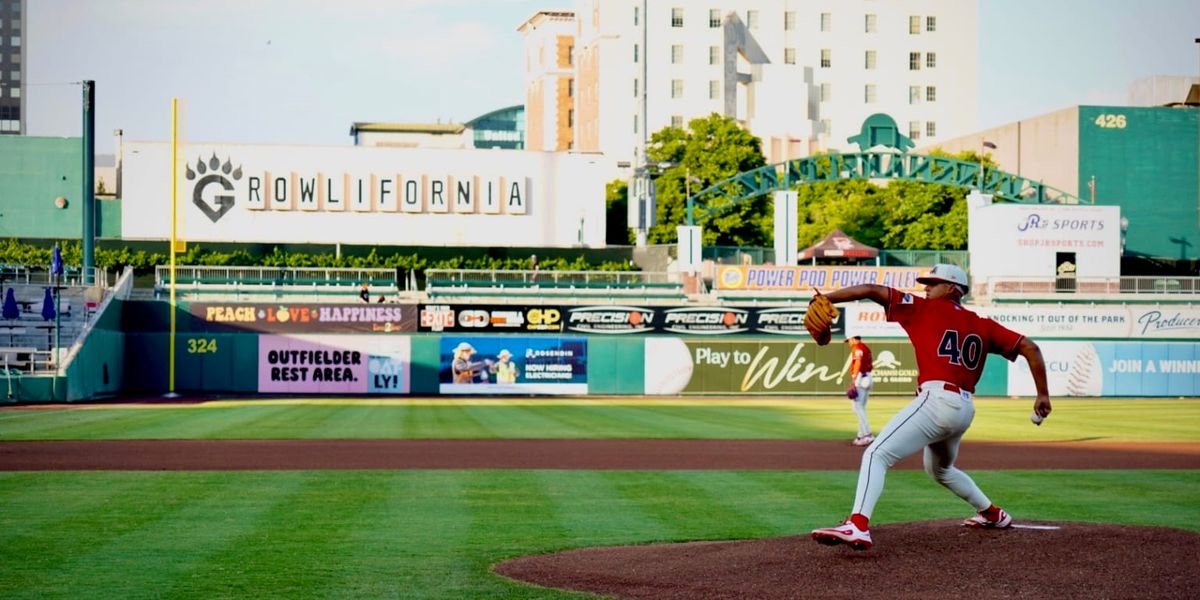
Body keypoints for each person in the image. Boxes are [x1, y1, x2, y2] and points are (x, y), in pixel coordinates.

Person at [810, 264, 1051, 551]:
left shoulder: (923, 309)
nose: (926, 288)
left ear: (953, 288)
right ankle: (992, 513)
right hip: (963, 409)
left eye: (933, 283)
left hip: (937, 400)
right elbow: (1031, 348)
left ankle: (858, 525)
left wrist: (827, 297)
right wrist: (1042, 395)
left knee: (876, 453)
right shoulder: (984, 325)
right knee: (940, 469)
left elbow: (872, 290)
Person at [844, 336, 874, 446]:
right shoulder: (865, 347)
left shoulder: (857, 348)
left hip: (861, 378)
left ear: (853, 339)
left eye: (849, 341)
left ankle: (867, 434)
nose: (849, 343)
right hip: (868, 377)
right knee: (860, 407)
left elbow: (858, 363)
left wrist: (854, 380)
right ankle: (861, 435)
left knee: (857, 407)